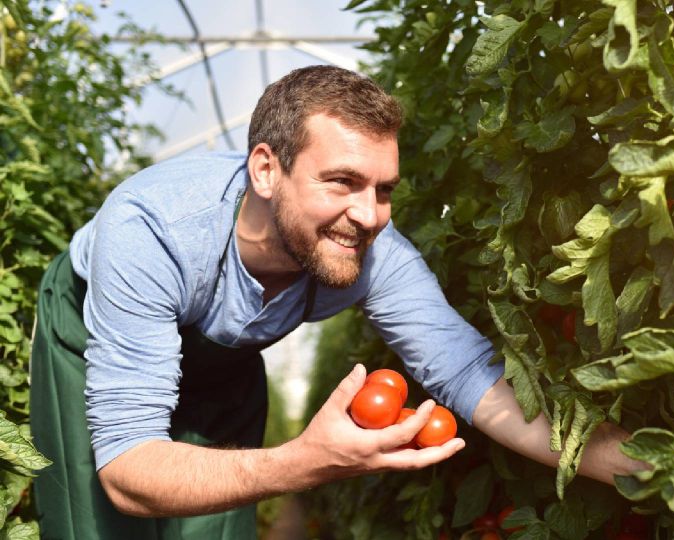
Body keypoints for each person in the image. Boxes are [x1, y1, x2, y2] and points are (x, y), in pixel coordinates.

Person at [29, 65, 642, 539]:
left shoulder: (373, 253)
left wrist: (646, 465)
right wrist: (302, 462)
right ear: (266, 171)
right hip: (94, 342)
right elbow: (128, 469)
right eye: (342, 181)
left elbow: (469, 376)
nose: (370, 214)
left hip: (221, 364)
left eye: (383, 189)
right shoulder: (153, 231)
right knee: (98, 525)